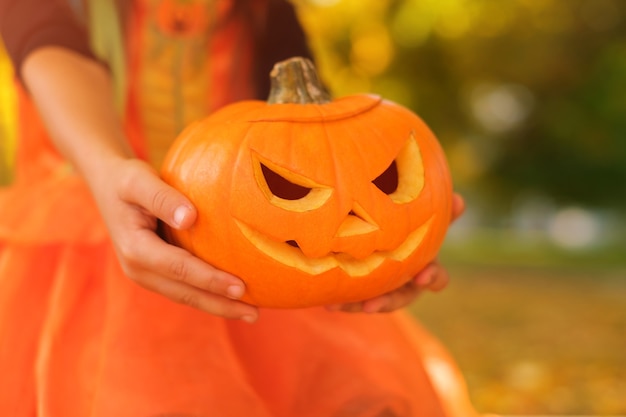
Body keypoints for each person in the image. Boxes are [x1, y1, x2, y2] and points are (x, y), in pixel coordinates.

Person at [0, 0, 483, 416]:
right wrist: (107, 169)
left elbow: (322, 144)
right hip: (89, 225)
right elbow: (49, 41)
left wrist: (388, 241)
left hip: (257, 260)